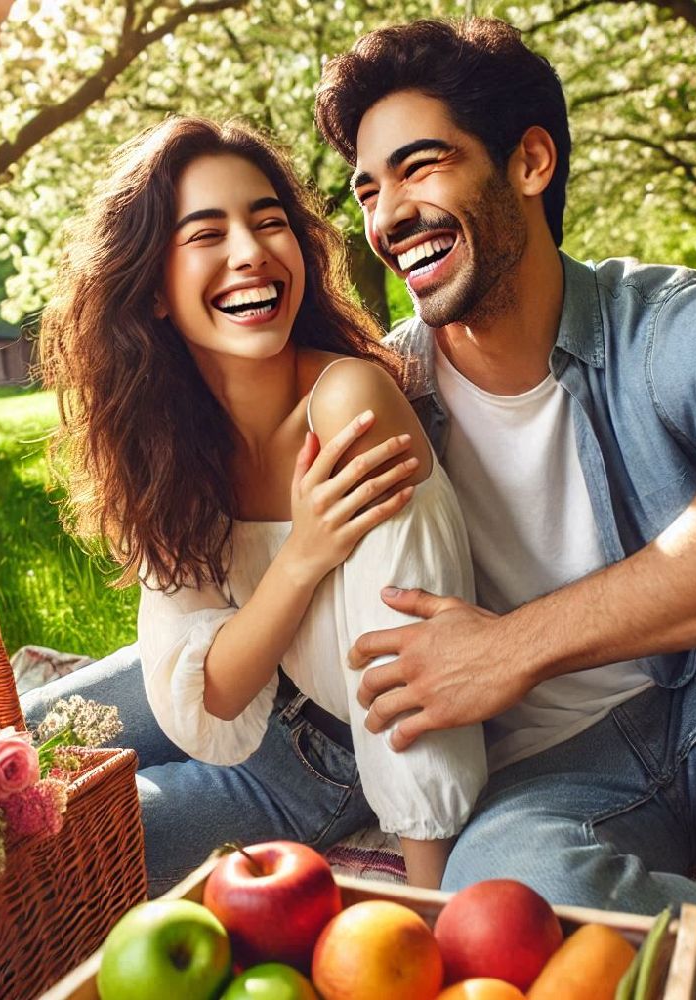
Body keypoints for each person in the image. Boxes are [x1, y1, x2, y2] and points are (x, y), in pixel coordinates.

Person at [308, 16, 696, 999]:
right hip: (558, 778)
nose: (386, 216)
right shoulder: (379, 394)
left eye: (419, 167)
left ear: (530, 162)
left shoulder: (665, 322)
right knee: (500, 895)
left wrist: (512, 646)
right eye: (368, 190)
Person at [31, 115, 486, 892]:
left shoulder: (347, 402)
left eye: (269, 222)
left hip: (325, 758)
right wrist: (303, 554)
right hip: (234, 685)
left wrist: (427, 911)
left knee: (49, 854)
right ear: (155, 293)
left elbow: (409, 671)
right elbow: (206, 686)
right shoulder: (168, 442)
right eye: (207, 234)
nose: (251, 253)